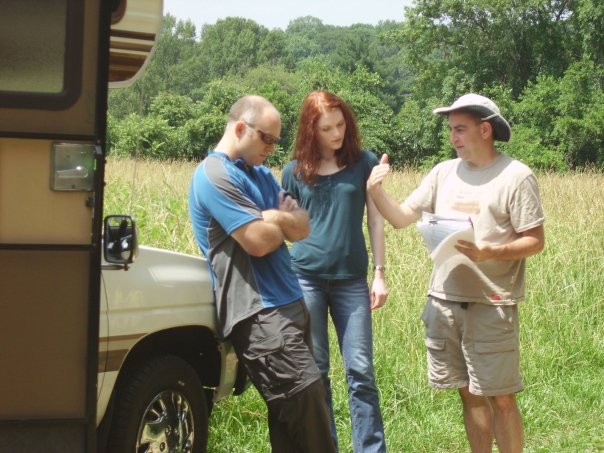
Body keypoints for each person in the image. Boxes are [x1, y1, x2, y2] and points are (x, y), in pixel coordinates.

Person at [367, 93, 545, 453]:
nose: (453, 138)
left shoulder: (516, 175)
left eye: (460, 130)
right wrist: (375, 189)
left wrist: (489, 251)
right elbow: (401, 218)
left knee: (501, 398)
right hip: (444, 302)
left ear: (484, 130)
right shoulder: (443, 172)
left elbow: (535, 241)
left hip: (492, 304)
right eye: (451, 130)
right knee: (468, 394)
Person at [188, 95, 336, 453]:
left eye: (276, 141)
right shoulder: (214, 175)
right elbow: (257, 241)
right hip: (260, 315)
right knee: (312, 413)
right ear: (241, 128)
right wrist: (274, 220)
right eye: (267, 138)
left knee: (291, 426)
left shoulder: (256, 174)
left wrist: (275, 217)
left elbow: (302, 225)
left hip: (291, 306)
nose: (272, 148)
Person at [281, 90, 389, 453]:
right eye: (327, 128)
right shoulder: (293, 171)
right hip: (305, 277)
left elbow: (376, 222)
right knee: (317, 372)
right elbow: (282, 226)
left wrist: (380, 273)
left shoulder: (364, 163)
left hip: (351, 281)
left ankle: (370, 449)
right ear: (312, 130)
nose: (337, 133)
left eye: (341, 124)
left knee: (360, 371)